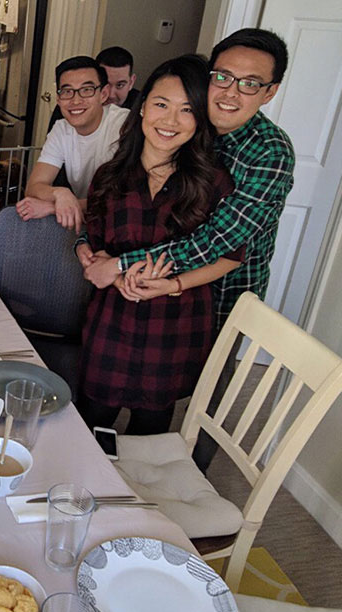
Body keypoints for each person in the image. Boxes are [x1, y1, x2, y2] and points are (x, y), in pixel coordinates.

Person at [78, 30, 294, 461]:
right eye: (224, 77)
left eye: (250, 83)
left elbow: (219, 245)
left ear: (269, 93)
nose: (232, 92)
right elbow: (102, 221)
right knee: (91, 420)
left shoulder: (267, 155)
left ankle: (182, 489)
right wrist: (86, 243)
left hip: (216, 301)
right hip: (118, 318)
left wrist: (124, 267)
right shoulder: (139, 160)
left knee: (192, 412)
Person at [77, 55, 240, 436]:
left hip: (175, 327)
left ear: (201, 118)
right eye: (161, 104)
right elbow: (93, 241)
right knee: (87, 421)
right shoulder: (110, 174)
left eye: (187, 110)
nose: (170, 121)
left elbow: (230, 258)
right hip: (112, 322)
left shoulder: (213, 182)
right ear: (143, 105)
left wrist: (173, 284)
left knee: (150, 432)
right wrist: (89, 257)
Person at [15, 56, 129, 230]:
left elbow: (122, 200)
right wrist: (59, 193)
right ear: (58, 99)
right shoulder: (61, 129)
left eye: (87, 90)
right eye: (67, 92)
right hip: (87, 223)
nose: (76, 101)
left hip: (124, 225)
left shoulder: (124, 126)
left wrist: (54, 207)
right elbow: (33, 187)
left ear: (103, 94)